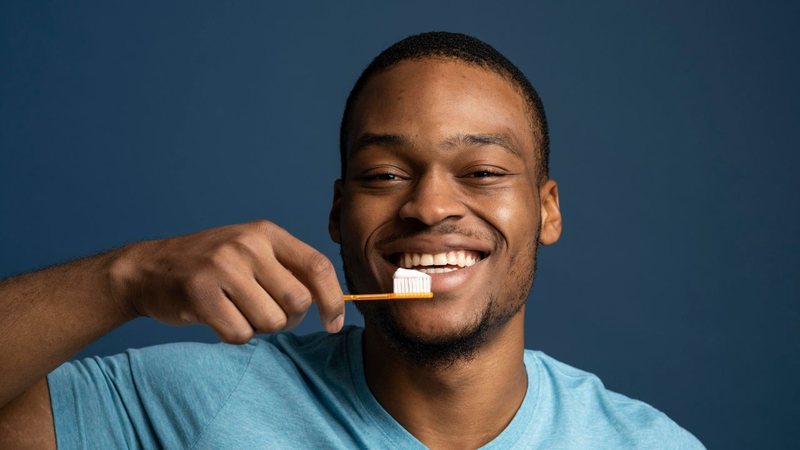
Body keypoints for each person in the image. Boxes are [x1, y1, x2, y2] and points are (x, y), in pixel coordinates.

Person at [0, 32, 704, 449]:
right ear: (338, 214)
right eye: (385, 174)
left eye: (483, 171)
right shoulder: (192, 403)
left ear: (546, 211)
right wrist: (125, 277)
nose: (429, 206)